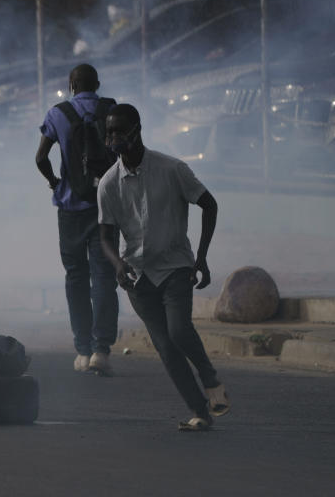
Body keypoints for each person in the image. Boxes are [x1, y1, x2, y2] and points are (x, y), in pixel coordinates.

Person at [97, 103, 230, 432]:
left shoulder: (172, 169)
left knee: (179, 330)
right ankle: (200, 411)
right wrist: (117, 264)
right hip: (138, 277)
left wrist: (202, 256)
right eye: (108, 131)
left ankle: (210, 378)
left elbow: (209, 204)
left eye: (119, 130)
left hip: (175, 266)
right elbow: (105, 236)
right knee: (166, 348)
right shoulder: (109, 184)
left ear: (136, 130)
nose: (113, 137)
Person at [35, 63, 118, 375]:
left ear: (70, 85)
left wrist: (56, 183)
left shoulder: (58, 114)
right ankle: (102, 350)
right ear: (97, 84)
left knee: (76, 277)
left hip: (70, 208)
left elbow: (41, 158)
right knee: (105, 277)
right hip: (106, 208)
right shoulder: (112, 110)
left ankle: (82, 350)